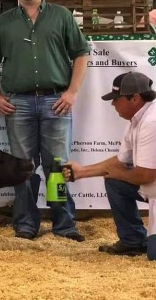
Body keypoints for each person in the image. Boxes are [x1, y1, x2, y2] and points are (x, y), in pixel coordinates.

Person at [0, 0, 90, 242]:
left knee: (57, 167)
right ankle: (26, 224)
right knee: (22, 167)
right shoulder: (4, 22)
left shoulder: (62, 16)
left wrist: (72, 92)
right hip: (19, 105)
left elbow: (80, 53)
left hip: (57, 101)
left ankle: (64, 224)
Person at [64, 72, 156, 259]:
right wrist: (82, 172)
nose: (113, 104)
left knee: (154, 256)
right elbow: (120, 161)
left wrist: (117, 173)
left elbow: (146, 176)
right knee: (115, 182)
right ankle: (133, 241)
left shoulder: (151, 122)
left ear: (135, 98)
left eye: (117, 99)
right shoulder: (138, 119)